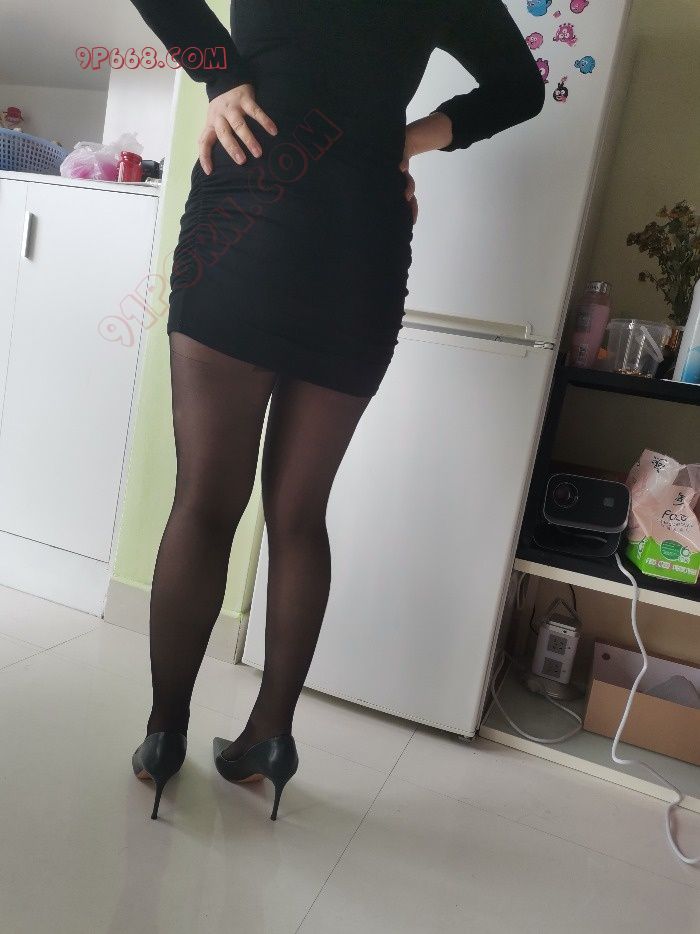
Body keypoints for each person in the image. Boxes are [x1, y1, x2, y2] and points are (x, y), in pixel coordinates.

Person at [129, 0, 545, 820]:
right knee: (299, 515)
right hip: (364, 241)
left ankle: (164, 735)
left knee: (204, 504)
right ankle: (269, 738)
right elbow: (519, 88)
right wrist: (406, 140)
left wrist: (221, 72)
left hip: (249, 205)